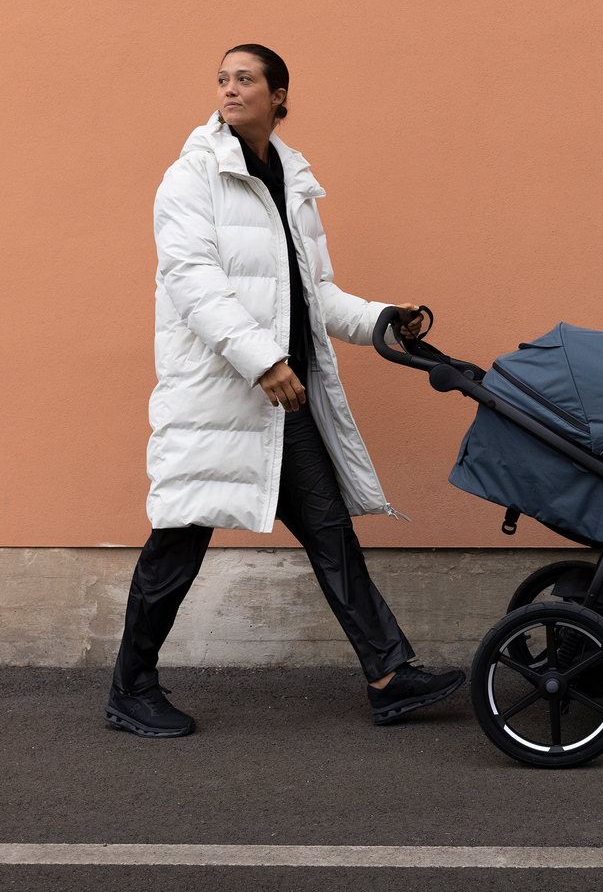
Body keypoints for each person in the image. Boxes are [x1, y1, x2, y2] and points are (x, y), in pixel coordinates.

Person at [104, 44, 464, 737]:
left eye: (245, 79)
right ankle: (131, 687)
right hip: (218, 397)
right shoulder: (191, 178)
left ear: (279, 96)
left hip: (281, 402)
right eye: (222, 78)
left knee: (330, 530)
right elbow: (192, 281)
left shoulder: (291, 181)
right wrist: (264, 359)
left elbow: (314, 292)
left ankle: (389, 673)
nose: (229, 89)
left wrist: (384, 318)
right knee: (176, 543)